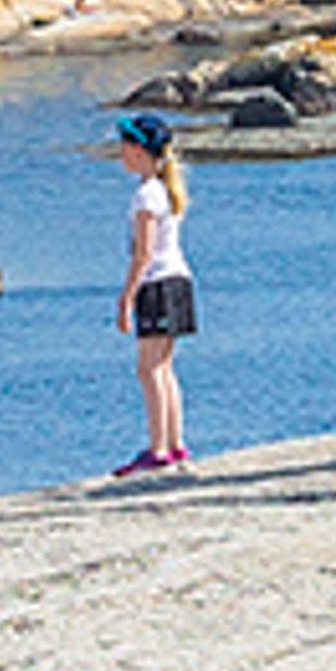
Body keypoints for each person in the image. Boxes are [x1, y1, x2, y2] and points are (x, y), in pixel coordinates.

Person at [110, 113, 197, 475]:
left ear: (139, 150)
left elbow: (143, 253)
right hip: (178, 281)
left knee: (149, 369)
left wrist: (127, 297)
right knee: (163, 366)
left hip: (159, 284)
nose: (121, 152)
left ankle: (159, 447)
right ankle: (173, 444)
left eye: (126, 145)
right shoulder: (163, 189)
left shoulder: (147, 195)